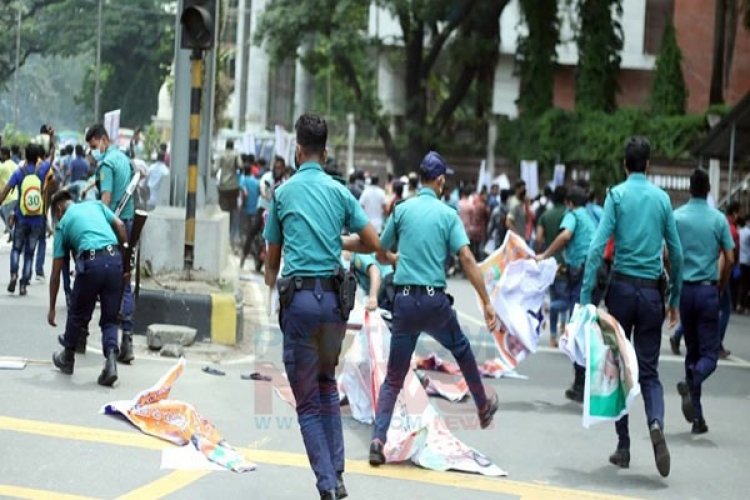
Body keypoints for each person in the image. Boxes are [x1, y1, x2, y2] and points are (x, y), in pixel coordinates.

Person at [264, 114, 380, 500]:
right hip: (333, 304)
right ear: (326, 151)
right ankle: (339, 475)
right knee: (328, 386)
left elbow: (271, 258)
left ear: (298, 150)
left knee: (308, 402)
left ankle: (327, 485)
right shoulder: (340, 192)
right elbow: (372, 242)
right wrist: (340, 244)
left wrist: (269, 285)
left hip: (297, 304)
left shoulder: (282, 193)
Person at [368, 151, 499, 468]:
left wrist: (395, 259)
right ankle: (482, 405)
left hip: (404, 302)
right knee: (462, 350)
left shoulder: (402, 209)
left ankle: (378, 440)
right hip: (434, 302)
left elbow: (381, 251)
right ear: (440, 181)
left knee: (394, 378)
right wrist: (486, 301)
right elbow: (467, 259)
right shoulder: (447, 214)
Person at [580, 136, 683, 477]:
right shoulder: (662, 199)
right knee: (650, 371)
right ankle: (655, 422)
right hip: (653, 295)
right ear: (649, 165)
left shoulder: (617, 195)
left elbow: (597, 249)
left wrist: (585, 299)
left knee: (620, 368)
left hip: (621, 291)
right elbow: (677, 252)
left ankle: (623, 447)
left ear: (625, 164)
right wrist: (675, 298)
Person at [673, 168, 734, 434]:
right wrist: (721, 285)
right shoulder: (718, 219)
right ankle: (692, 380)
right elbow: (730, 258)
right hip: (708, 291)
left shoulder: (677, 217)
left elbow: (669, 254)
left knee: (693, 351)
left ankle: (697, 418)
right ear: (709, 189)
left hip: (685, 291)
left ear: (689, 188)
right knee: (710, 356)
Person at [48, 190, 130, 387]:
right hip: (114, 259)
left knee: (77, 313)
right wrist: (126, 264)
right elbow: (119, 225)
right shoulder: (96, 205)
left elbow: (56, 271)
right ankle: (111, 362)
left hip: (91, 264)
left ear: (59, 210)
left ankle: (67, 358)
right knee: (110, 319)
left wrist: (51, 308)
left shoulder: (63, 223)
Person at [536, 186, 597, 401]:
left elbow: (566, 236)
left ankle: (581, 384)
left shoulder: (572, 216)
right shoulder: (590, 216)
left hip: (580, 273)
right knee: (583, 326)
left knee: (576, 326)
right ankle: (584, 382)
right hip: (595, 274)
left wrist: (545, 254)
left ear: (570, 203)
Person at [86, 123, 136, 364]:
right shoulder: (123, 159)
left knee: (106, 280)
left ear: (101, 139)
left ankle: (110, 342)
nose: (94, 151)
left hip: (113, 225)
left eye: (94, 146)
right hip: (129, 222)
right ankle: (128, 338)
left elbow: (105, 200)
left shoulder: (106, 164)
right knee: (126, 277)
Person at [0, 144, 52, 296]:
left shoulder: (19, 172)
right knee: (29, 253)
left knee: (16, 249)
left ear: (25, 155)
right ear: (37, 158)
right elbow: (51, 159)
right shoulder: (41, 171)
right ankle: (23, 285)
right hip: (37, 220)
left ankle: (14, 275)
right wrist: (52, 141)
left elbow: (6, 189)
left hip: (21, 217)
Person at [535, 185, 567, 347]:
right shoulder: (568, 215)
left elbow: (539, 238)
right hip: (564, 263)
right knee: (566, 299)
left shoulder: (545, 215)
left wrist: (543, 252)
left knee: (555, 297)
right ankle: (564, 328)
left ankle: (553, 337)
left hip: (549, 264)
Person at [718, 201, 741, 358]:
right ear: (735, 213)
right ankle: (717, 343)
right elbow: (730, 258)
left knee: (708, 308)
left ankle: (678, 335)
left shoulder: (719, 222)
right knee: (725, 309)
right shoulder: (732, 230)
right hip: (722, 271)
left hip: (710, 270)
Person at [239, 161, 261, 270]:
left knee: (247, 232)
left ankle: (244, 254)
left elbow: (244, 193)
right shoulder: (256, 181)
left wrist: (241, 205)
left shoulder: (243, 179)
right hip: (256, 210)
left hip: (246, 209)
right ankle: (254, 249)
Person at [0, 146, 18, 236]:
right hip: (17, 198)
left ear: (5, 155)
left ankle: (19, 247)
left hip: (8, 199)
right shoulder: (15, 165)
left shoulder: (2, 167)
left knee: (12, 228)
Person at [738, 216, 750, 314]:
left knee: (742, 284)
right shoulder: (748, 233)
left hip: (741, 261)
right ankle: (745, 306)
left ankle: (739, 305)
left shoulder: (740, 232)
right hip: (747, 261)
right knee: (747, 285)